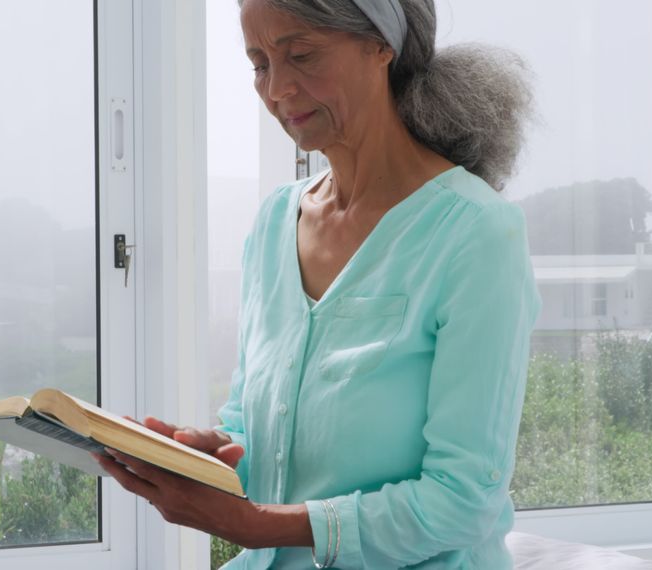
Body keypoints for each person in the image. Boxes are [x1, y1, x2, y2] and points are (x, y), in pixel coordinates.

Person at [93, 0, 541, 567]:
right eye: (259, 64)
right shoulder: (276, 220)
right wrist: (216, 456)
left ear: (383, 46)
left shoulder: (475, 234)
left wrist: (257, 526)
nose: (278, 89)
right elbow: (258, 428)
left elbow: (463, 502)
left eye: (300, 54)